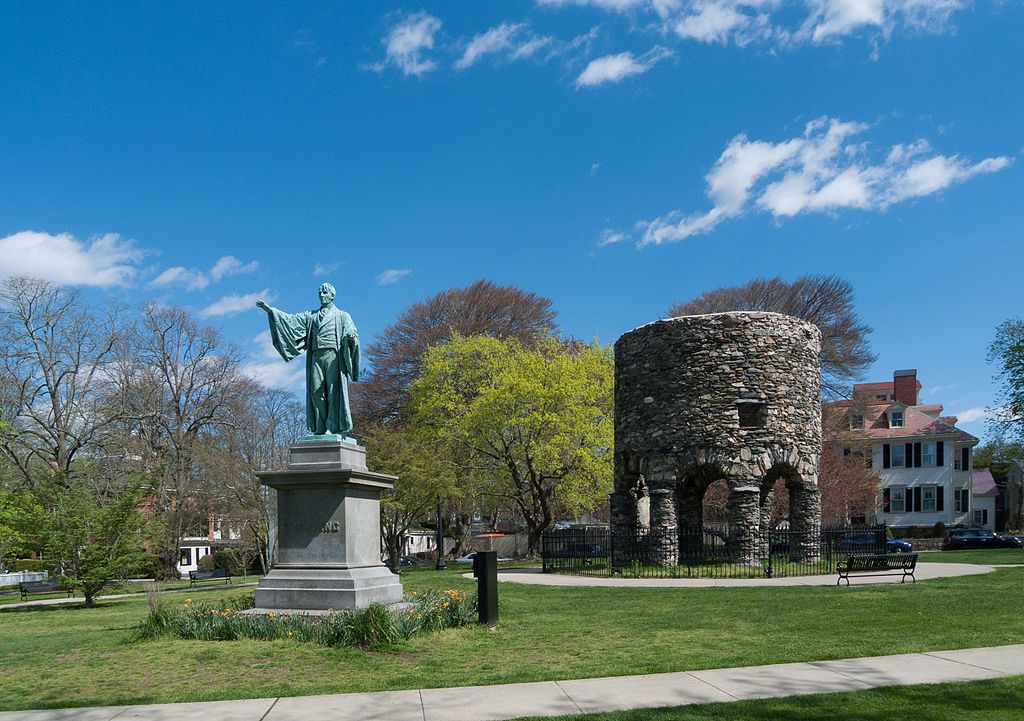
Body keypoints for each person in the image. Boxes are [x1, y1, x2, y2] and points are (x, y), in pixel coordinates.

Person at [256, 283, 359, 437]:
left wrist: (351, 337)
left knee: (333, 391)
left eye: (325, 292)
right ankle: (320, 426)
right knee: (316, 392)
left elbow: (351, 330)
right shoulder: (311, 316)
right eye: (320, 293)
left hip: (334, 356)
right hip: (316, 356)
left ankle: (332, 425)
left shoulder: (343, 316)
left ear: (332, 295)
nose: (322, 295)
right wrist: (271, 311)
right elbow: (291, 320)